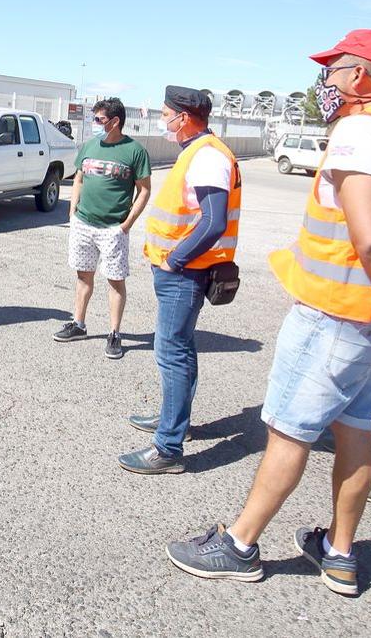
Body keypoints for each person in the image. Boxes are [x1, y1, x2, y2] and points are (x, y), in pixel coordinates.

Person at [166, 30, 371, 597]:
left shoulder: (362, 131)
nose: (326, 82)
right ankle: (340, 553)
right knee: (358, 433)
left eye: (334, 70)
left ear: (361, 76)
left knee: (289, 432)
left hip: (334, 315)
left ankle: (240, 545)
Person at [118, 86, 240, 474]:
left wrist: (175, 259)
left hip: (185, 272)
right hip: (182, 271)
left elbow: (213, 220)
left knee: (172, 352)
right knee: (179, 349)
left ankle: (167, 448)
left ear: (184, 117)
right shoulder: (202, 151)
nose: (163, 119)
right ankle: (174, 422)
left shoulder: (207, 156)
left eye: (166, 113)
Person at [53, 97, 152, 358]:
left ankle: (114, 333)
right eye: (94, 119)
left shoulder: (135, 151)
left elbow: (144, 191)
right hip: (84, 224)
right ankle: (79, 324)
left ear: (115, 121)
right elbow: (79, 178)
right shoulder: (88, 146)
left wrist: (127, 224)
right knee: (83, 276)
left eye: (99, 120)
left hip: (113, 228)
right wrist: (72, 211)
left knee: (115, 281)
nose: (95, 124)